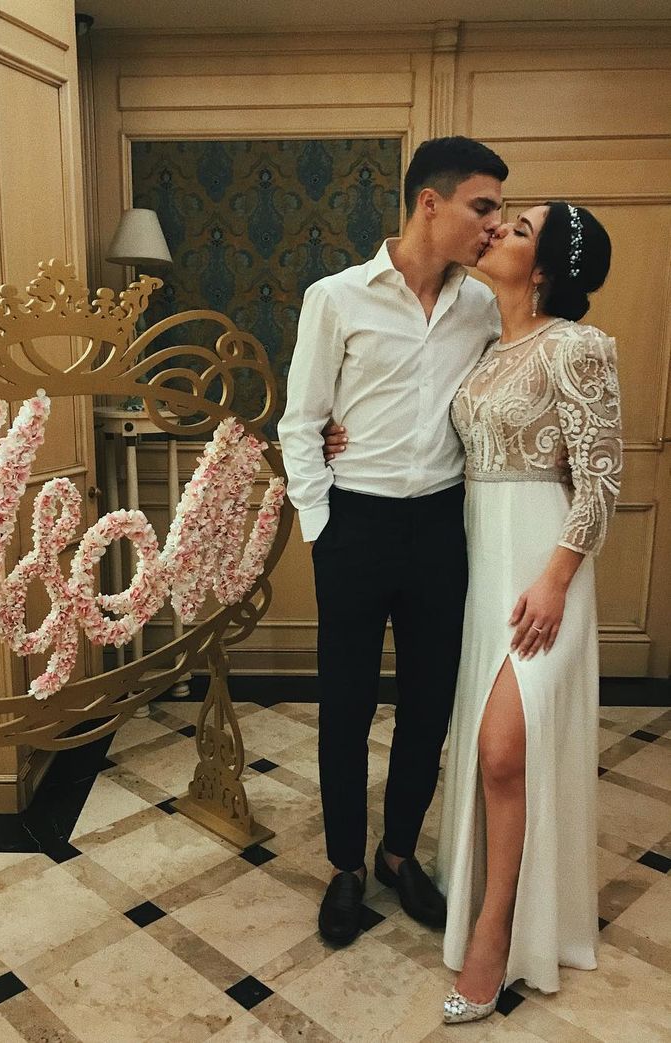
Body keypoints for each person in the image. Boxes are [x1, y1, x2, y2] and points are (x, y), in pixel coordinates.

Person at [325, 201, 622, 1024]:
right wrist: (340, 435)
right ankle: (488, 904)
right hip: (477, 563)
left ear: (546, 268)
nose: (495, 231)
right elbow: (419, 419)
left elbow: (601, 479)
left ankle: (494, 937)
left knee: (499, 752)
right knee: (493, 757)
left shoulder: (576, 346)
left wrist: (555, 579)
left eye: (517, 229)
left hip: (541, 567)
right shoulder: (485, 342)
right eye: (500, 219)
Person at [277, 136, 507, 947]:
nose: (493, 224)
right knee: (344, 705)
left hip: (441, 527)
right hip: (355, 525)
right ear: (428, 202)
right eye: (482, 206)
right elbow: (301, 422)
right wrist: (323, 528)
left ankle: (397, 852)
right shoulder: (336, 297)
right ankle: (344, 865)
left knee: (427, 704)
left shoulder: (482, 308)